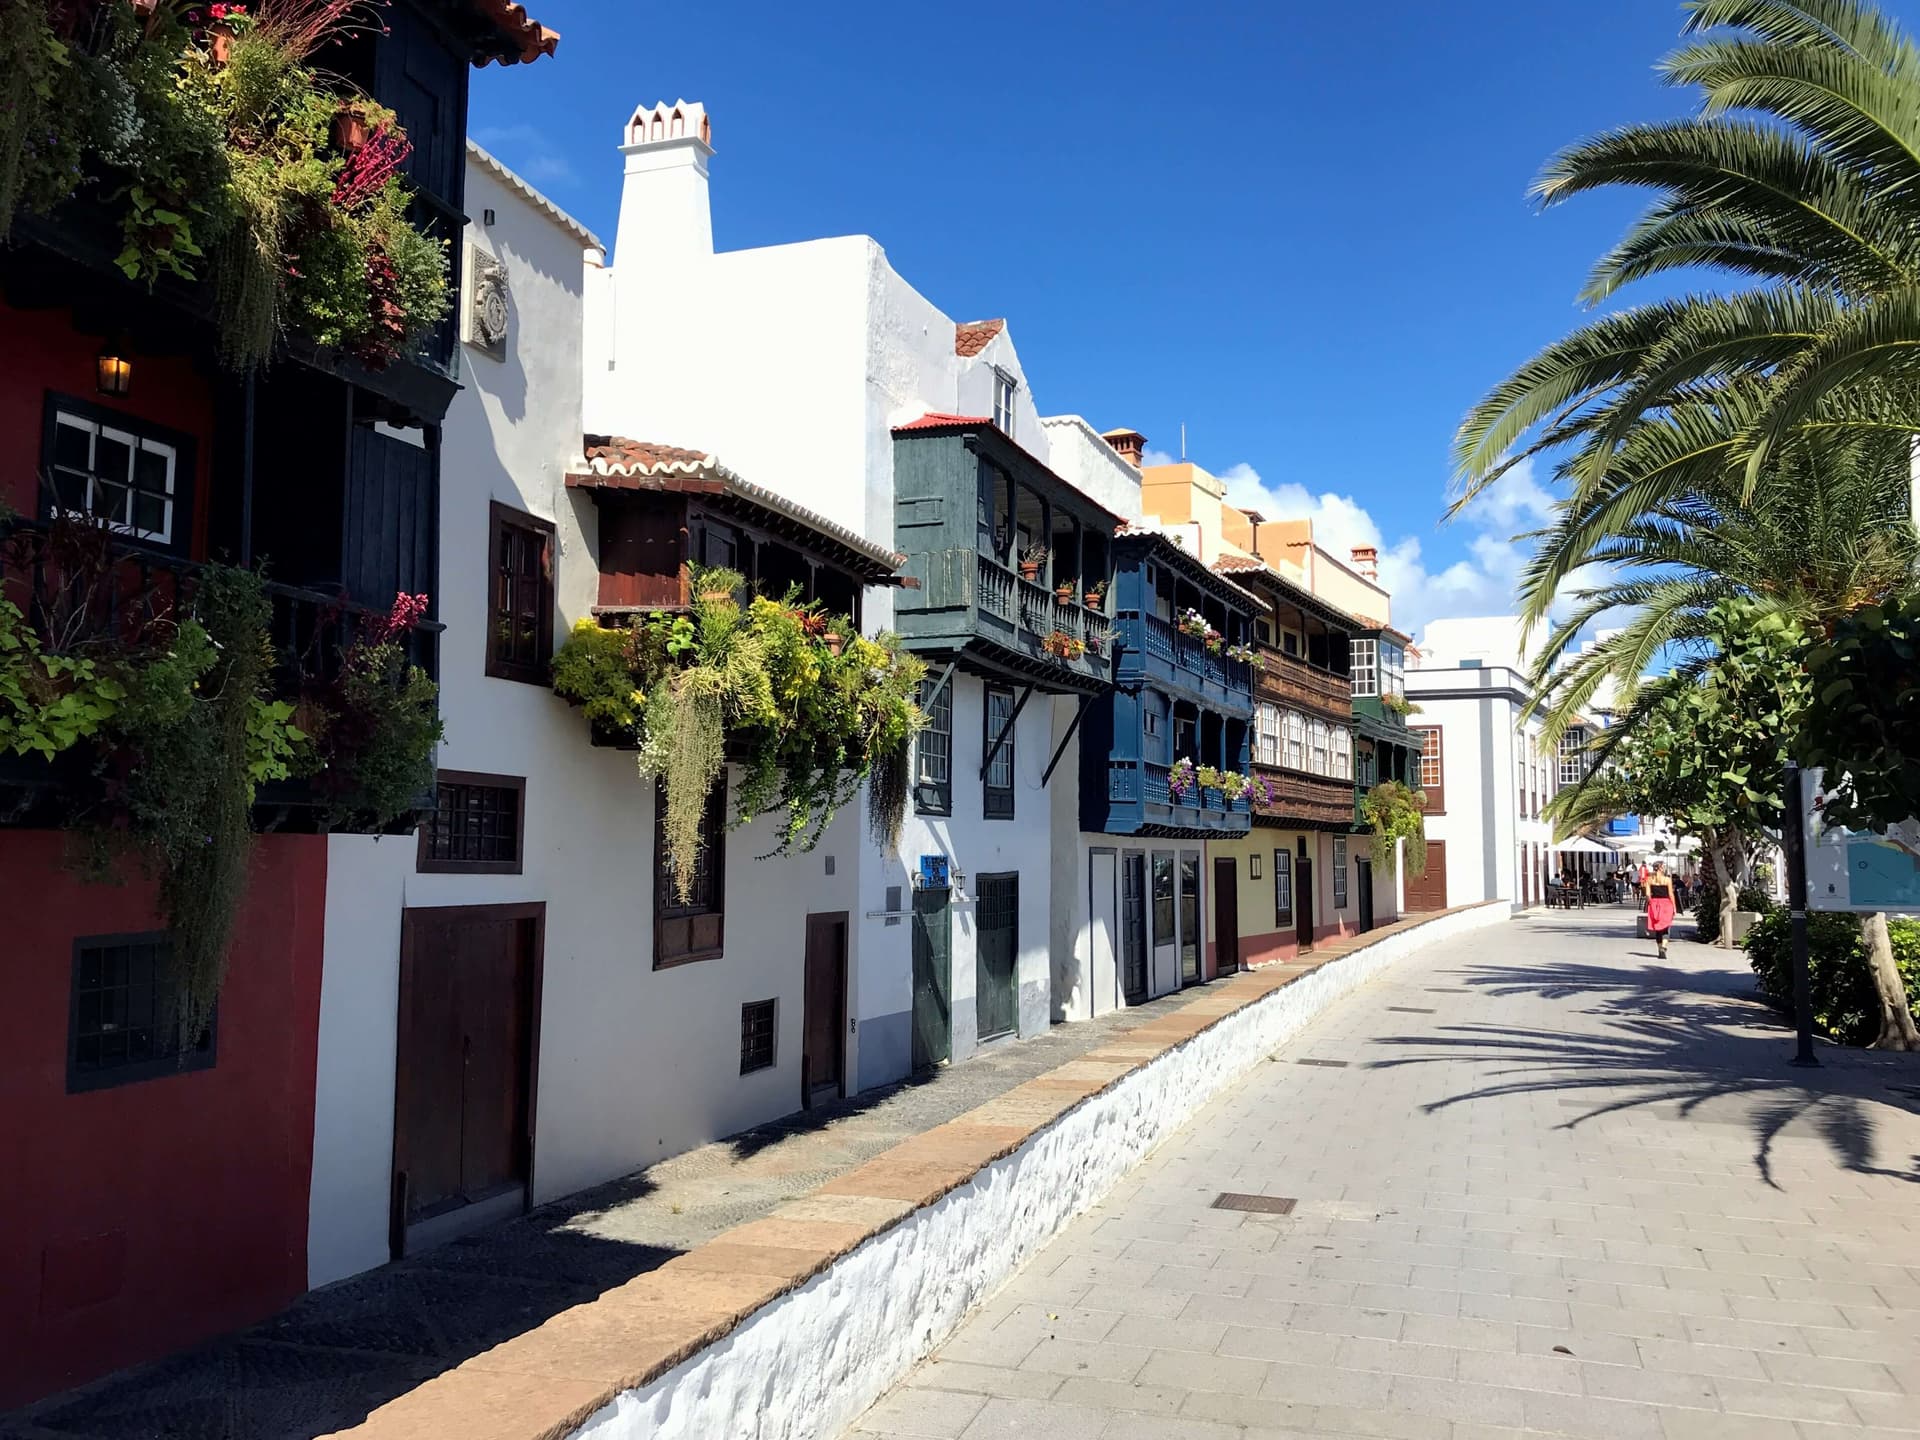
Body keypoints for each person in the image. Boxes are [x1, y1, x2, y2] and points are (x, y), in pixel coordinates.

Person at [1643, 859, 1677, 959]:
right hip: (1666, 904)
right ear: (1661, 868)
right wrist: (1674, 907)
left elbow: (1648, 894)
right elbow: (1671, 894)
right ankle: (1663, 946)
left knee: (1658, 928)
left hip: (1654, 903)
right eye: (1664, 866)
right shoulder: (1667, 879)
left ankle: (1659, 948)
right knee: (1666, 927)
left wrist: (1650, 903)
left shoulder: (1649, 879)